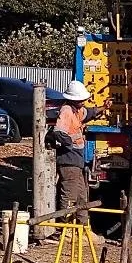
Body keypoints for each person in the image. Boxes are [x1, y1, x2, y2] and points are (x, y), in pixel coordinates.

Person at [50, 81, 92, 226]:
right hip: (69, 161)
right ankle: (65, 227)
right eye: (80, 100)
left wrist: (102, 108)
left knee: (81, 197)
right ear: (73, 99)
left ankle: (82, 227)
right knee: (69, 196)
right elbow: (59, 132)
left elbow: (88, 113)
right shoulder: (67, 110)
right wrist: (69, 144)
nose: (83, 102)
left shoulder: (77, 110)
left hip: (76, 162)